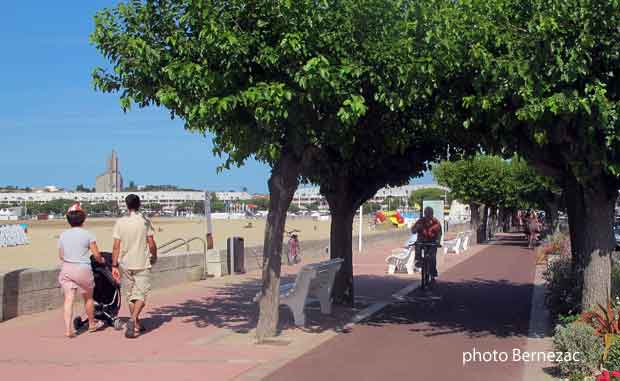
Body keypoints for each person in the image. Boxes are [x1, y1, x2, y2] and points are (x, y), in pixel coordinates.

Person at [111, 194, 157, 338]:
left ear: (127, 205)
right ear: (139, 204)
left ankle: (136, 323)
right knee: (141, 295)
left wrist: (114, 264)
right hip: (141, 262)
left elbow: (116, 246)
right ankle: (133, 320)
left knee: (131, 295)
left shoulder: (120, 222)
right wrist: (154, 255)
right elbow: (151, 243)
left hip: (125, 263)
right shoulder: (145, 221)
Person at [57, 203, 105, 337]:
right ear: (83, 219)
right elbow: (96, 255)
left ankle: (68, 330)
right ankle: (91, 324)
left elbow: (61, 255)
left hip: (67, 268)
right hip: (83, 268)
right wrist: (101, 261)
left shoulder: (63, 235)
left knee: (69, 299)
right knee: (88, 298)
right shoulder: (88, 234)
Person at [411, 207, 442, 281]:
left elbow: (439, 233)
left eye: (429, 214)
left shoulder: (436, 222)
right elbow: (413, 230)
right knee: (417, 245)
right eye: (426, 214)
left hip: (432, 242)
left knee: (432, 257)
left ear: (432, 214)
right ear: (425, 214)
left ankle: (433, 273)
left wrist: (437, 241)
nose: (428, 215)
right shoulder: (420, 221)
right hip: (422, 240)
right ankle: (418, 260)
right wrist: (416, 228)